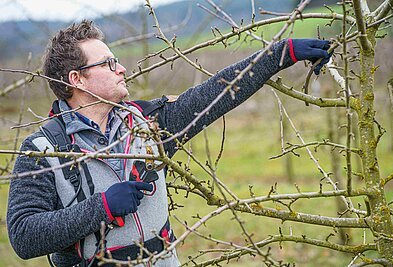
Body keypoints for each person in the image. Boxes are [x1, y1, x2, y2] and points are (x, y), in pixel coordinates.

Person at [7, 20, 331, 267]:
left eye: (116, 60)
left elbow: (217, 93)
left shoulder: (151, 125)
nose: (121, 68)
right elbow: (23, 236)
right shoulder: (43, 151)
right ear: (76, 79)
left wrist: (280, 54)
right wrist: (100, 208)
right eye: (107, 63)